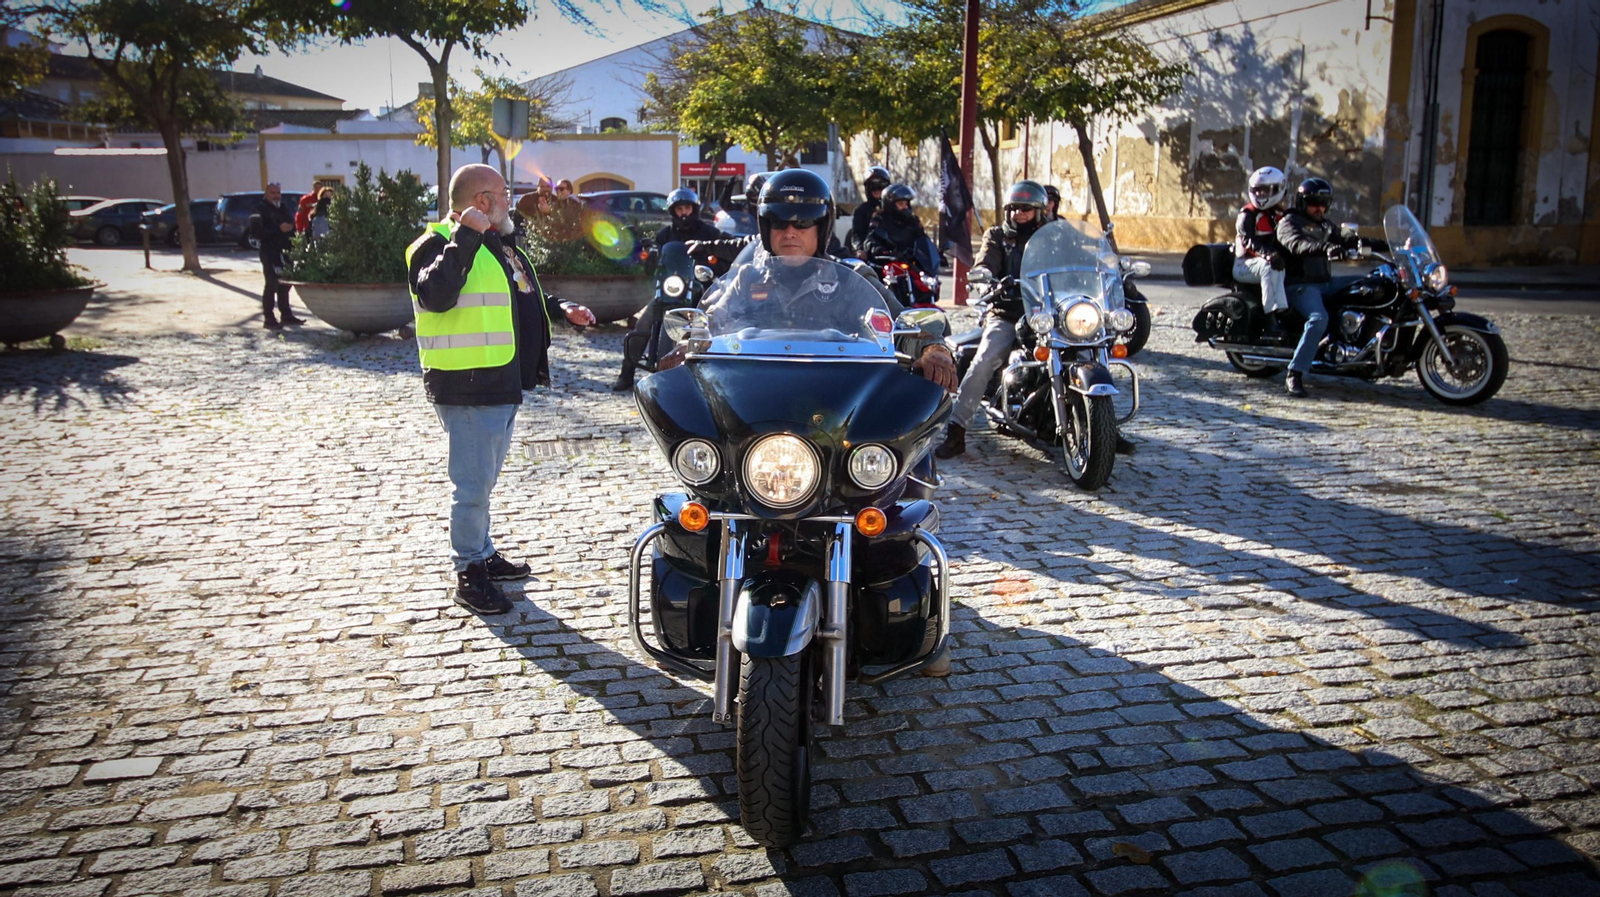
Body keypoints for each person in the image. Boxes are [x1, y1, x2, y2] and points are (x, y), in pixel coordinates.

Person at [406, 163, 597, 614]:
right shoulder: (434, 243)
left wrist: (560, 306)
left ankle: (483, 553)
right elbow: (434, 295)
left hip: (501, 379)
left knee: (484, 479)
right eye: (504, 193)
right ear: (482, 202)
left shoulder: (497, 242)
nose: (512, 200)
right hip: (468, 383)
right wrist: (466, 237)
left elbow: (518, 293)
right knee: (471, 485)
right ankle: (468, 573)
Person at [935, 181, 1048, 458]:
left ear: (1040, 211)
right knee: (984, 360)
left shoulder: (1051, 237)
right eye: (1014, 209)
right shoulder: (997, 236)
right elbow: (984, 263)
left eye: (1026, 209)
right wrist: (986, 280)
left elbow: (1073, 263)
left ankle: (1106, 427)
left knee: (1089, 349)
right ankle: (957, 430)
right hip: (1008, 312)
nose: (1019, 214)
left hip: (1049, 314)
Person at [1275, 176, 1385, 398]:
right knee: (1318, 319)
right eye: (1315, 202)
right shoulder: (1289, 222)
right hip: (1301, 286)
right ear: (1302, 202)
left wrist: (1388, 245)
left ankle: (1363, 350)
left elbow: (1347, 238)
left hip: (1325, 283)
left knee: (1373, 284)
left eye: (1324, 203)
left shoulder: (1324, 224)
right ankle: (1295, 373)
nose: (1320, 208)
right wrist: (1326, 248)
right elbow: (1296, 244)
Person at [610, 188, 724, 392]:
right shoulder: (665, 234)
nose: (684, 213)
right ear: (673, 212)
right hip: (670, 290)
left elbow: (723, 251)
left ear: (694, 209)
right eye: (679, 209)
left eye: (687, 208)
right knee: (643, 324)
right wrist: (651, 255)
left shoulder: (709, 232)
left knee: (714, 324)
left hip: (699, 292)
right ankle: (626, 374)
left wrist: (715, 257)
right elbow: (656, 260)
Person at [1232, 167, 1289, 333]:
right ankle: (1271, 317)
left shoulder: (1279, 214)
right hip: (1244, 265)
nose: (1261, 196)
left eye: (1266, 191)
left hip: (1263, 261)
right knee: (1269, 267)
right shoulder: (1247, 215)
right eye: (1258, 191)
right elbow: (1248, 241)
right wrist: (1269, 254)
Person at [254, 182, 303, 330]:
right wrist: (278, 229)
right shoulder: (259, 209)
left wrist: (291, 230)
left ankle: (286, 315)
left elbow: (291, 223)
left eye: (278, 193)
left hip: (285, 251)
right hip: (270, 251)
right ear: (266, 194)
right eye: (272, 193)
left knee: (285, 284)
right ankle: (269, 318)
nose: (276, 195)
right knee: (272, 284)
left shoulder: (282, 207)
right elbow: (257, 232)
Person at [862, 184, 931, 264]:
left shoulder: (912, 221)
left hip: (911, 264)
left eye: (906, 204)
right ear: (890, 204)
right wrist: (878, 250)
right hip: (887, 264)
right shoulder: (880, 220)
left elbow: (923, 239)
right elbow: (871, 239)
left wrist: (934, 253)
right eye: (901, 204)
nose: (905, 207)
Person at [848, 165, 891, 255]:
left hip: (895, 253)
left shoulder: (893, 207)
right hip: (872, 255)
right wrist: (859, 250)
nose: (876, 189)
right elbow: (857, 234)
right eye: (872, 186)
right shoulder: (861, 210)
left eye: (880, 185)